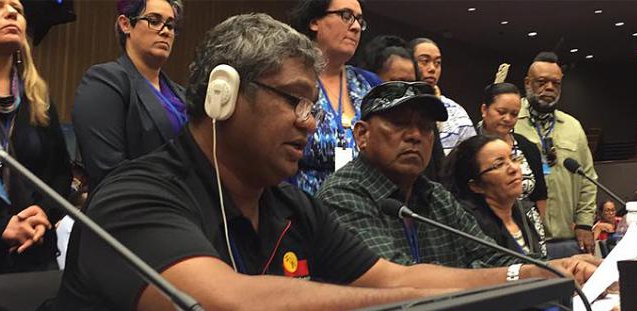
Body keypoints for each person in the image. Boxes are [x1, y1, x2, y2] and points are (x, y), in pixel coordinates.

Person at [56, 14, 593, 310]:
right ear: (224, 95)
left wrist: (530, 272)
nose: (310, 122)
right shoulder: (136, 196)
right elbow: (226, 303)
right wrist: (403, 300)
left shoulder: (288, 203)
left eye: (313, 105)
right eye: (294, 100)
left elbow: (388, 279)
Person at [317, 81, 597, 275]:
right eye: (399, 123)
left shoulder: (435, 196)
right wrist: (520, 273)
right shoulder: (343, 194)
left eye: (426, 127)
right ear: (362, 135)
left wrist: (560, 266)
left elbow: (492, 255)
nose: (415, 134)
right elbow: (398, 280)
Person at [0, 0, 71, 275]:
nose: (12, 12)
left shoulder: (38, 97)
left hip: (35, 255)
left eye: (18, 9)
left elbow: (62, 174)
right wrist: (0, 226)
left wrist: (43, 212)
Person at [72, 0, 187, 190]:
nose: (165, 31)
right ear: (126, 24)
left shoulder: (182, 94)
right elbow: (110, 171)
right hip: (131, 207)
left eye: (170, 25)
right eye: (154, 20)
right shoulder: (105, 81)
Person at [289, 0, 383, 195]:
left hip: (363, 209)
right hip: (300, 211)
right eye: (346, 15)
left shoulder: (369, 83)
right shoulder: (291, 78)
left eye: (359, 20)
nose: (356, 27)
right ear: (314, 21)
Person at [514, 51, 597, 257]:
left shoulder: (573, 126)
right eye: (541, 82)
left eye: (556, 83)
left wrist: (585, 224)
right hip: (523, 241)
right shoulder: (510, 122)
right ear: (527, 83)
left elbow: (588, 179)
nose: (549, 88)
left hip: (567, 237)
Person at [443, 134, 547, 260]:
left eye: (513, 159)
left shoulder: (521, 213)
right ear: (476, 185)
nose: (514, 168)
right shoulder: (473, 227)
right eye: (499, 165)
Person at [358, 34, 445, 181]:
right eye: (397, 83)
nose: (415, 135)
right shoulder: (358, 113)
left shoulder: (424, 121)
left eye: (411, 83)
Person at [477, 82, 548, 217]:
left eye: (514, 114)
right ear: (484, 110)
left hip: (528, 225)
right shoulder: (470, 147)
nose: (508, 119)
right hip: (484, 223)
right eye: (501, 112)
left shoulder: (528, 147)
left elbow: (540, 195)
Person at [408, 37, 475, 155]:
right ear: (408, 62)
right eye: (424, 61)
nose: (432, 69)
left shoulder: (456, 112)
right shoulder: (395, 105)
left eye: (437, 63)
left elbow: (471, 158)